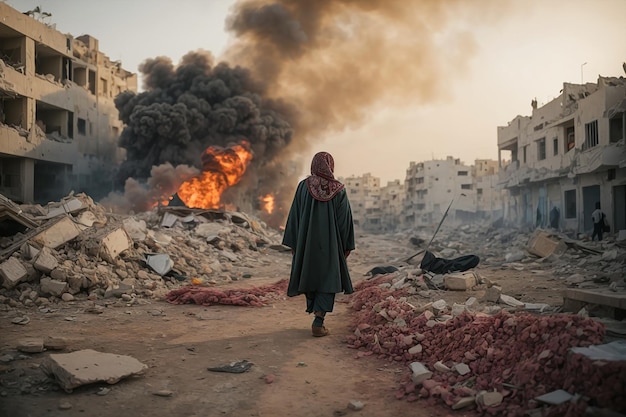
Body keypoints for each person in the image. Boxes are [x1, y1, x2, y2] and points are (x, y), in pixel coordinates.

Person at [282, 152, 355, 337]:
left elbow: (294, 217)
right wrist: (345, 246)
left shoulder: (302, 187)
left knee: (309, 275)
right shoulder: (339, 189)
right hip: (331, 246)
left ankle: (315, 312)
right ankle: (319, 321)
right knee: (327, 280)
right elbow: (344, 221)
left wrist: (294, 243)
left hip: (306, 245)